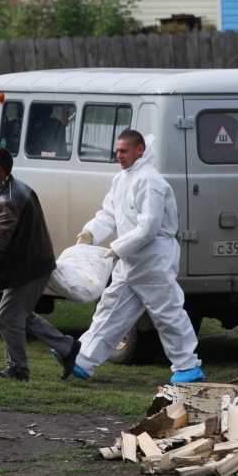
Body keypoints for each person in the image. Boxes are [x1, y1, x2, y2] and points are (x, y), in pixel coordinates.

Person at [59, 130, 205, 384]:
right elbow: (109, 214)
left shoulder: (151, 182)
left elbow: (148, 227)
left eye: (124, 151)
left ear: (140, 150)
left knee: (166, 312)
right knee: (110, 310)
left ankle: (188, 366)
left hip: (153, 260)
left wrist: (118, 247)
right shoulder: (121, 179)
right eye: (117, 151)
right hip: (130, 260)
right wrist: (90, 233)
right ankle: (83, 358)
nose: (119, 156)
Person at [0, 147, 80, 381]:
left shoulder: (9, 198)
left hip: (30, 267)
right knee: (20, 314)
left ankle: (18, 369)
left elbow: (0, 235)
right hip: (31, 264)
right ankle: (67, 348)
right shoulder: (13, 189)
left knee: (7, 316)